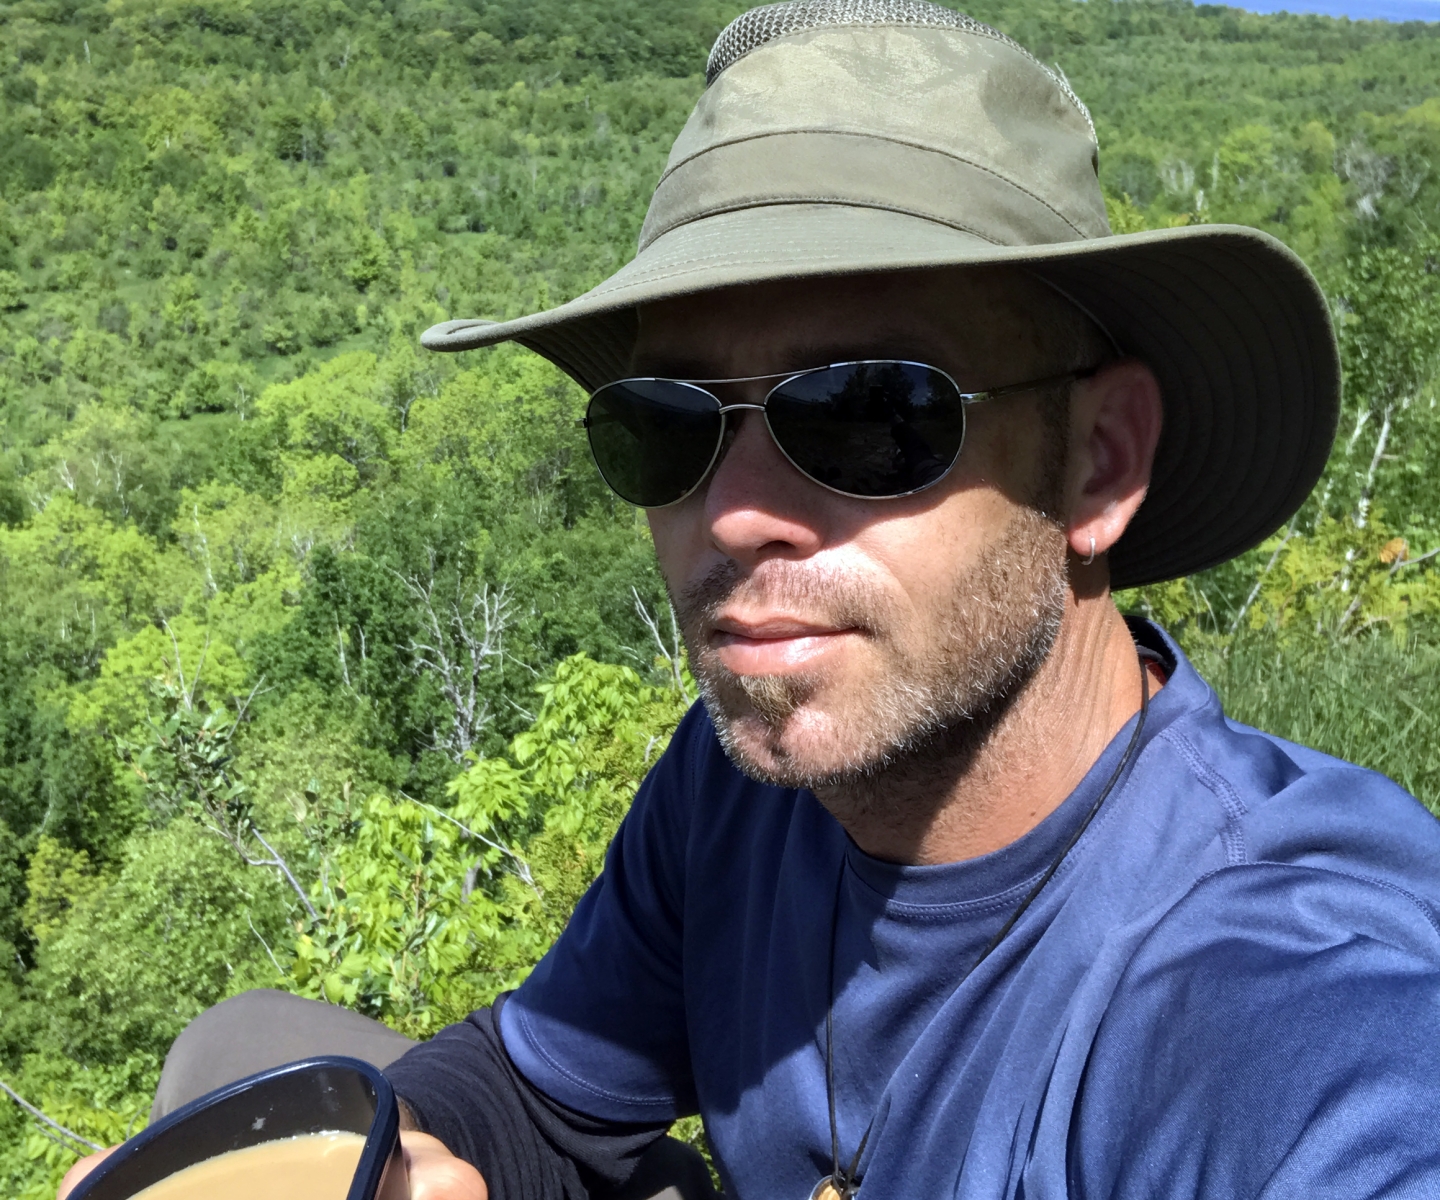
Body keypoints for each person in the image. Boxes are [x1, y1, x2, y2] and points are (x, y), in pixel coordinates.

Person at [60, 2, 1440, 1199]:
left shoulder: (1281, 992)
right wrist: (392, 1166)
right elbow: (542, 1091)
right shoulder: (747, 790)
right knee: (246, 1068)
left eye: (868, 412)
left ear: (1099, 461)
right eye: (666, 426)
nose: (732, 512)